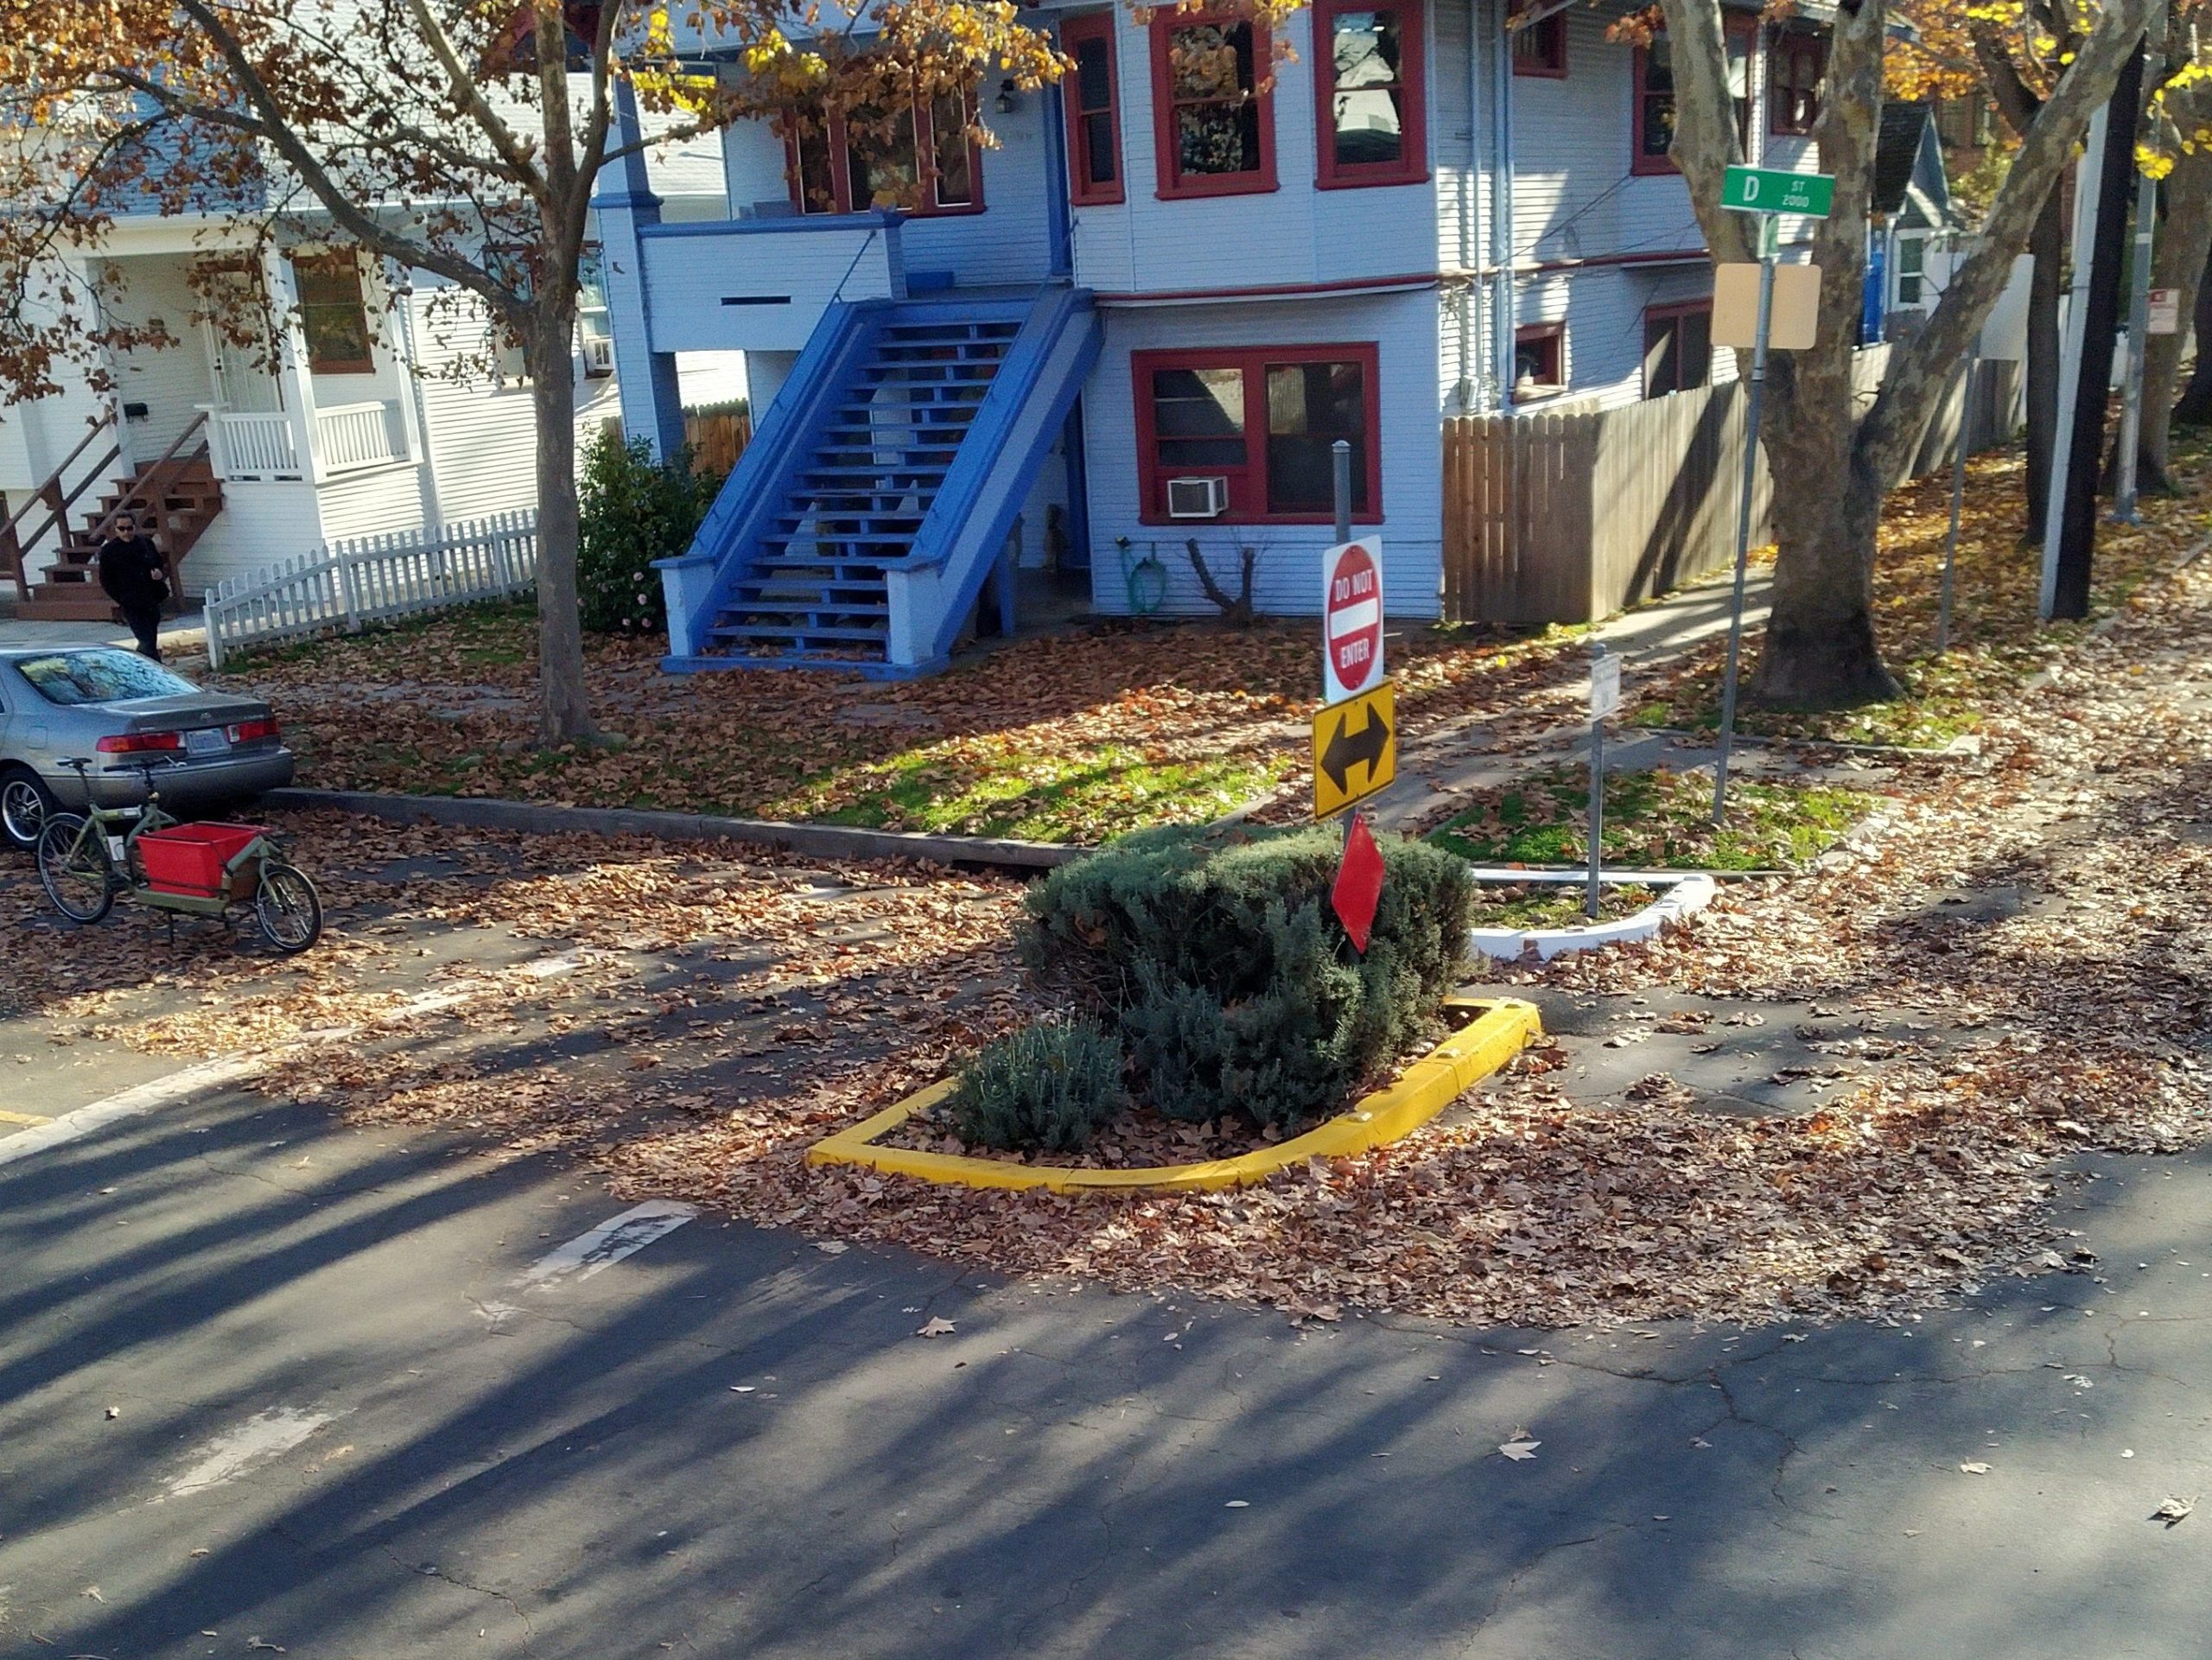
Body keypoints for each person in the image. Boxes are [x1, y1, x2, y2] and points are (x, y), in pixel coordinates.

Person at [97, 514, 169, 661]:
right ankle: (157, 669)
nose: (126, 532)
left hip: (151, 598)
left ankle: (139, 664)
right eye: (121, 529)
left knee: (150, 637)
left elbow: (158, 562)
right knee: (145, 639)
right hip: (131, 602)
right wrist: (121, 598)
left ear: (135, 527)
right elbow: (106, 579)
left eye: (129, 528)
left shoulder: (145, 543)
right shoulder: (110, 551)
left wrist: (158, 572)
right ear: (116, 530)